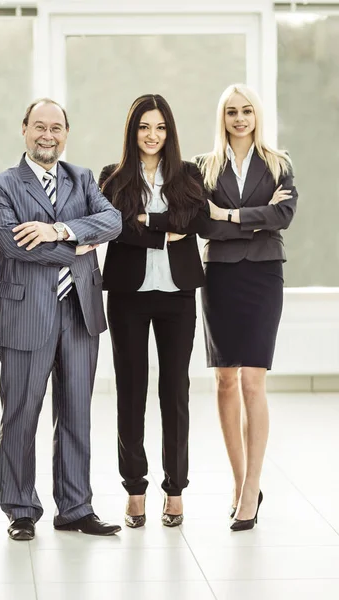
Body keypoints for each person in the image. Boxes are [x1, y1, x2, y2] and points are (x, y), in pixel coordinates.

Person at [0, 98, 123, 541]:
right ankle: (21, 509)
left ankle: (76, 507)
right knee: (21, 413)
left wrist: (58, 229)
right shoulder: (0, 186)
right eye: (39, 126)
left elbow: (113, 221)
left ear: (66, 133)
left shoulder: (82, 178)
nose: (48, 135)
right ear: (23, 129)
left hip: (80, 312)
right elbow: (12, 244)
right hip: (27, 313)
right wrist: (78, 246)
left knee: (77, 413)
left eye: (56, 127)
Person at [99, 94, 209, 528]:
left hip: (178, 294)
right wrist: (164, 231)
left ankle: (176, 488)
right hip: (128, 293)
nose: (152, 135)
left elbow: (195, 222)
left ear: (170, 131)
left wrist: (149, 222)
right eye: (145, 126)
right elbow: (117, 228)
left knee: (175, 392)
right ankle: (134, 488)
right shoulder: (113, 176)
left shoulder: (187, 174)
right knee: (131, 389)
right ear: (133, 130)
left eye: (160, 127)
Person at [197, 83, 298, 531]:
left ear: (257, 116)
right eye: (232, 111)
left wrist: (231, 215)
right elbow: (202, 223)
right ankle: (241, 485)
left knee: (253, 381)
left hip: (262, 275)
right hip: (218, 275)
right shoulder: (204, 166)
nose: (240, 118)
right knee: (224, 380)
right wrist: (251, 217)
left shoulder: (279, 163)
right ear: (223, 117)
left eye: (247, 111)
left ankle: (253, 489)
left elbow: (283, 218)